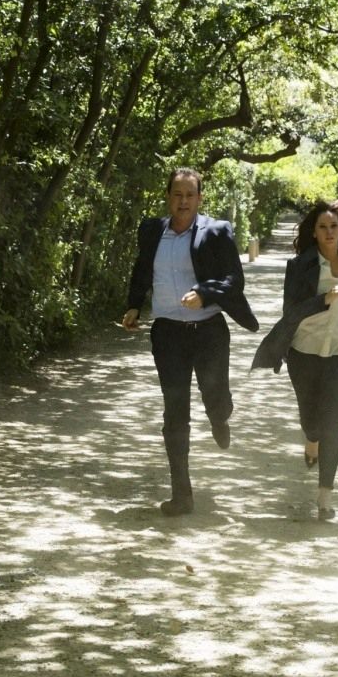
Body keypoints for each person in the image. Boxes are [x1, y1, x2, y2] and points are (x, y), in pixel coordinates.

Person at [123, 167, 258, 516]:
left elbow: (234, 280)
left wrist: (204, 293)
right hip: (168, 333)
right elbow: (142, 268)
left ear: (199, 198)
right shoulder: (152, 231)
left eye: (189, 195)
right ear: (168, 197)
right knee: (175, 411)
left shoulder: (216, 231)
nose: (183, 201)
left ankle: (219, 417)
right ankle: (182, 494)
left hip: (209, 331)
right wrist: (134, 304)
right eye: (177, 194)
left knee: (216, 397)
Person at [252, 199, 338, 520]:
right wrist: (322, 300)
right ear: (313, 232)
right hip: (304, 353)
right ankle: (310, 439)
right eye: (323, 227)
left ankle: (325, 495)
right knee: (310, 421)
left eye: (334, 226)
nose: (329, 232)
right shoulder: (300, 266)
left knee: (332, 421)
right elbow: (291, 312)